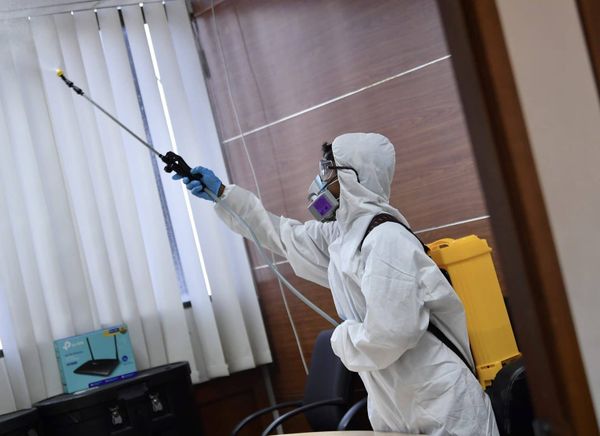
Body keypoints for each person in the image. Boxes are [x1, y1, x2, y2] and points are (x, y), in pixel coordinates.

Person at [174, 132, 499, 435]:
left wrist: (342, 338)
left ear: (353, 177)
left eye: (328, 170)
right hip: (395, 399)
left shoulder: (387, 239)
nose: (320, 179)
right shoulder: (342, 237)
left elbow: (392, 333)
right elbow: (282, 235)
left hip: (441, 400)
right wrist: (223, 195)